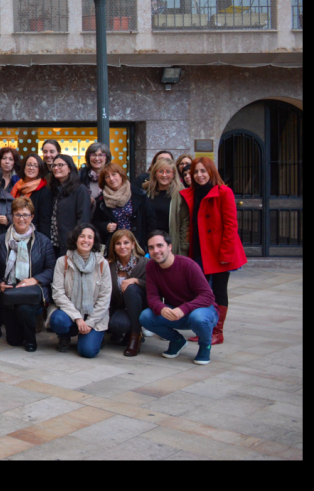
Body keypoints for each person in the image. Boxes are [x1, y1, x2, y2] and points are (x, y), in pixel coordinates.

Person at [179, 156, 246, 346]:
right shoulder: (190, 193)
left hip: (219, 251)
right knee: (200, 290)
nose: (200, 175)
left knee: (218, 290)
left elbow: (231, 226)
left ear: (211, 172)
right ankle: (204, 328)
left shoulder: (224, 192)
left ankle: (218, 332)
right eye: (196, 172)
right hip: (199, 250)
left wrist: (225, 255)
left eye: (203, 171)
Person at [140, 230, 219, 365]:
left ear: (169, 247)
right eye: (151, 247)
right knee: (145, 317)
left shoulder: (188, 265)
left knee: (198, 318)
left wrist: (184, 308)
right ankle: (177, 341)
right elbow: (152, 297)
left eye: (160, 245)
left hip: (202, 310)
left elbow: (208, 296)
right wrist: (162, 308)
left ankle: (205, 346)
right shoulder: (151, 267)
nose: (156, 250)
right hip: (175, 312)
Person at [0, 197, 56, 350]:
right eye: (17, 214)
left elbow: (51, 268)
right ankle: (21, 329)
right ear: (12, 216)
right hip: (8, 291)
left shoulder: (43, 241)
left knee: (24, 308)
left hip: (31, 290)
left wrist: (36, 280)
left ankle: (31, 339)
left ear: (32, 217)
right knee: (13, 341)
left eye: (25, 215)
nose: (21, 218)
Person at [48, 223, 110, 358]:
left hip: (94, 315)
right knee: (58, 320)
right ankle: (65, 336)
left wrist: (90, 322)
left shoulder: (102, 264)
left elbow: (105, 298)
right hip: (70, 314)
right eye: (82, 236)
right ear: (75, 239)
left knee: (87, 352)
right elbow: (58, 294)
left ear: (94, 241)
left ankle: (96, 335)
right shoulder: (62, 262)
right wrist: (77, 318)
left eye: (90, 237)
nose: (86, 240)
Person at [92, 162, 156, 253]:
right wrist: (105, 226)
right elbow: (95, 222)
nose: (111, 179)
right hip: (114, 246)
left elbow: (150, 219)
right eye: (107, 177)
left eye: (114, 174)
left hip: (137, 244)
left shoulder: (138, 194)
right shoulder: (101, 200)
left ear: (121, 175)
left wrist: (150, 242)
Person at [105, 230, 149, 356]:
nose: (122, 246)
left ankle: (135, 336)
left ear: (133, 245)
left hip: (140, 306)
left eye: (126, 243)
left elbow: (155, 288)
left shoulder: (145, 263)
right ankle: (123, 332)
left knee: (131, 288)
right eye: (118, 243)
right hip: (120, 307)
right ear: (113, 247)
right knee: (117, 324)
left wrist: (136, 281)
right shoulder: (109, 265)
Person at [48, 154, 92, 257]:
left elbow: (83, 219)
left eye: (60, 165)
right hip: (53, 245)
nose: (56, 168)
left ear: (69, 168)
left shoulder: (80, 189)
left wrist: (77, 241)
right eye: (54, 166)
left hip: (71, 245)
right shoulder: (53, 190)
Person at [143, 157, 189, 255]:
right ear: (155, 174)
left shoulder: (180, 193)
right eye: (161, 171)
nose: (164, 175)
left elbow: (185, 222)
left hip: (171, 244)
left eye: (168, 172)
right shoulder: (146, 192)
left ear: (173, 174)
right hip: (149, 243)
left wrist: (183, 247)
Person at [11, 154, 53, 239]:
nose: (31, 168)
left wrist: (43, 243)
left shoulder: (44, 192)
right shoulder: (17, 187)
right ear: (24, 167)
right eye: (29, 165)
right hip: (14, 234)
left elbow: (44, 221)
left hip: (34, 237)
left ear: (40, 169)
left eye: (35, 166)